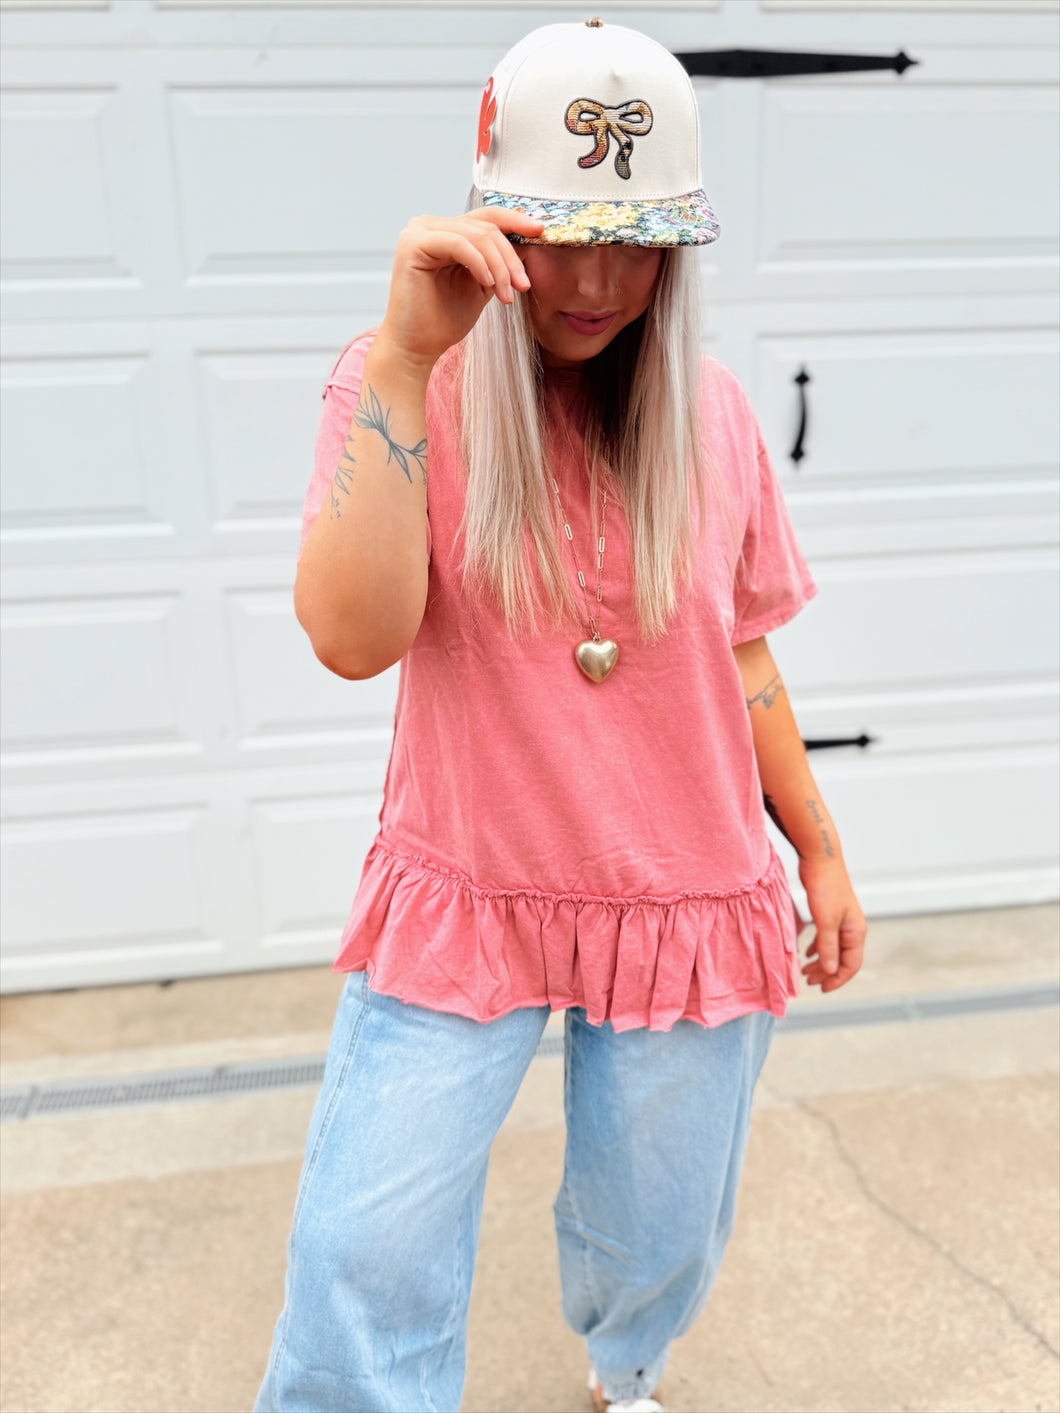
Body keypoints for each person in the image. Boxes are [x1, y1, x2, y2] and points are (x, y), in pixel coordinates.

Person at [254, 17, 868, 1413]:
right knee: (366, 1237)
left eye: (636, 237)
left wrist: (819, 847)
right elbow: (351, 640)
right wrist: (408, 366)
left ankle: (626, 1374)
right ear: (492, 223)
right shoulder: (401, 386)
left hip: (688, 883)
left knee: (660, 1221)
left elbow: (747, 659)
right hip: (468, 880)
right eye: (558, 230)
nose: (594, 278)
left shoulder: (710, 416)